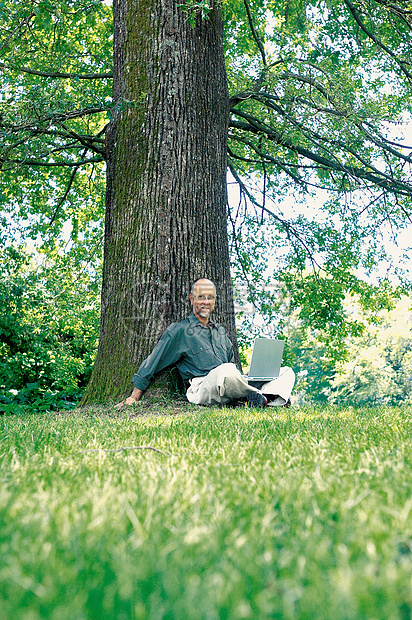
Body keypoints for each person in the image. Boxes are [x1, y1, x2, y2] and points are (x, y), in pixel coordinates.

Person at [116, 278, 295, 408]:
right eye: (201, 297)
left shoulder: (221, 332)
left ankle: (262, 399)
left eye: (210, 297)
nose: (206, 302)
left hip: (229, 383)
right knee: (226, 370)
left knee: (286, 371)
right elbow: (153, 361)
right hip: (202, 387)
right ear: (191, 299)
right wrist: (135, 396)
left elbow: (233, 369)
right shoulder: (179, 330)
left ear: (214, 300)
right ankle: (266, 398)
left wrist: (250, 375)